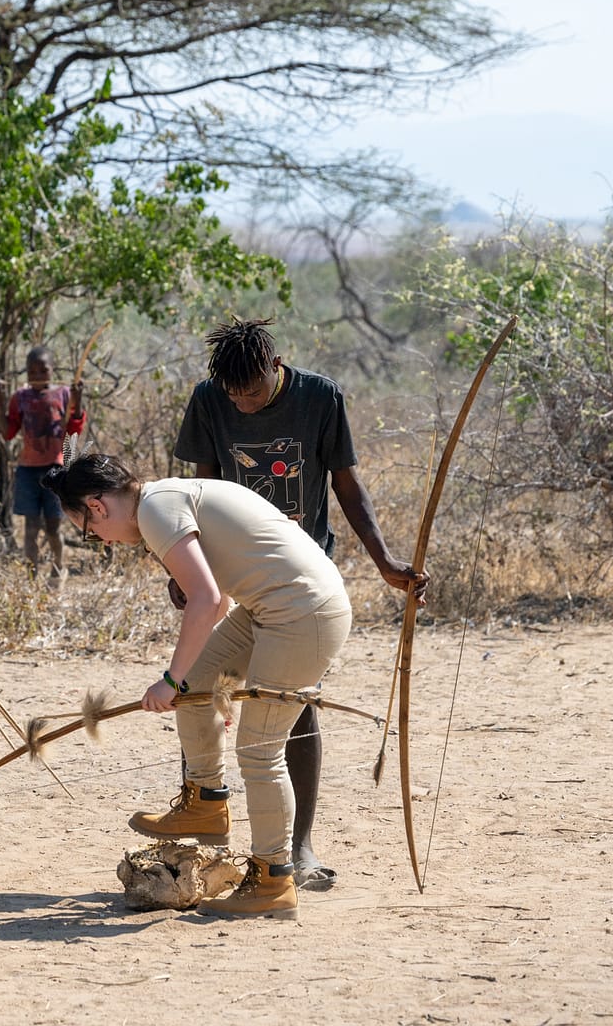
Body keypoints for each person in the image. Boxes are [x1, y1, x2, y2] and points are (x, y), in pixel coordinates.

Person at [170, 315, 427, 892]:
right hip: (238, 573)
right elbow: (200, 491)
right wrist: (190, 571)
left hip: (302, 577)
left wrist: (386, 563)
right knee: (195, 687)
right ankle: (202, 822)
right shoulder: (210, 400)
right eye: (235, 395)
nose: (245, 404)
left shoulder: (319, 397)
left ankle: (298, 848)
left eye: (254, 391)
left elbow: (347, 485)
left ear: (275, 365)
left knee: (291, 704)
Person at [43, 453, 353, 919]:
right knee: (197, 686)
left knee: (259, 750)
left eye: (88, 529)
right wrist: (183, 681)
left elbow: (206, 600)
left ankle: (273, 882)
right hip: (271, 607)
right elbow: (220, 592)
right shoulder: (163, 500)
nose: (100, 539)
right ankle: (206, 803)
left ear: (97, 505)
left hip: (302, 613)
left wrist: (169, 680)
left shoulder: (155, 509)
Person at [0, 348, 86, 575]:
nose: (38, 375)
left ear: (53, 370)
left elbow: (74, 428)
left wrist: (78, 400)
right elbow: (8, 432)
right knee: (31, 527)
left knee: (53, 527)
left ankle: (57, 569)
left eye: (44, 370)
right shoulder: (20, 397)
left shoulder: (64, 394)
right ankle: (31, 577)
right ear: (26, 371)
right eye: (32, 371)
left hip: (55, 470)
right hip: (27, 470)